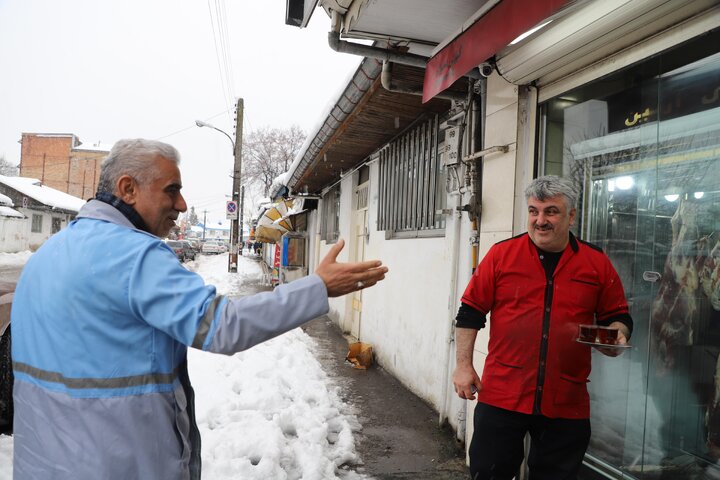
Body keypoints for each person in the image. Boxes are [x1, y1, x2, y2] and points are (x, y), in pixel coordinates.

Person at [11, 138, 388, 480]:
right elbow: (222, 326)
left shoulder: (47, 256)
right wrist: (318, 287)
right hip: (120, 464)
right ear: (127, 189)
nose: (182, 205)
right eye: (171, 190)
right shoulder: (135, 255)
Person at [452, 175, 633, 480]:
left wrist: (617, 336)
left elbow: (618, 316)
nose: (540, 220)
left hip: (567, 399)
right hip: (503, 394)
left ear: (571, 216)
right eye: (534, 211)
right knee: (488, 472)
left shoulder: (595, 262)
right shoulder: (501, 255)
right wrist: (463, 366)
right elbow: (470, 311)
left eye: (551, 211)